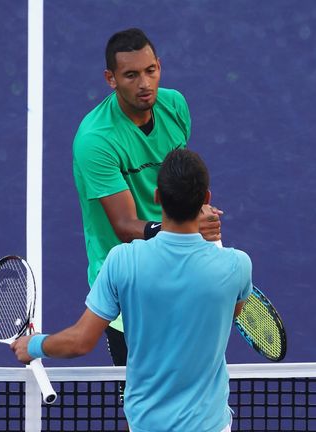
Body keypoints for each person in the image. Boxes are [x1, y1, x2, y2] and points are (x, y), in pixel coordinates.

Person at [12, 149, 252, 432]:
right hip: (211, 425)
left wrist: (34, 345)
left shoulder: (123, 261)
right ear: (207, 198)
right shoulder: (237, 265)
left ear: (157, 196)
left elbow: (80, 342)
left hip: (146, 425)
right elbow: (233, 313)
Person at [72, 28, 222, 370]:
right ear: (111, 79)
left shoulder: (175, 106)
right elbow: (124, 226)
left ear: (159, 67)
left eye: (150, 71)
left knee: (188, 376)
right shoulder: (96, 140)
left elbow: (177, 177)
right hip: (126, 279)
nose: (144, 83)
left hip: (176, 261)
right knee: (139, 403)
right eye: (131, 75)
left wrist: (195, 206)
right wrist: (187, 227)